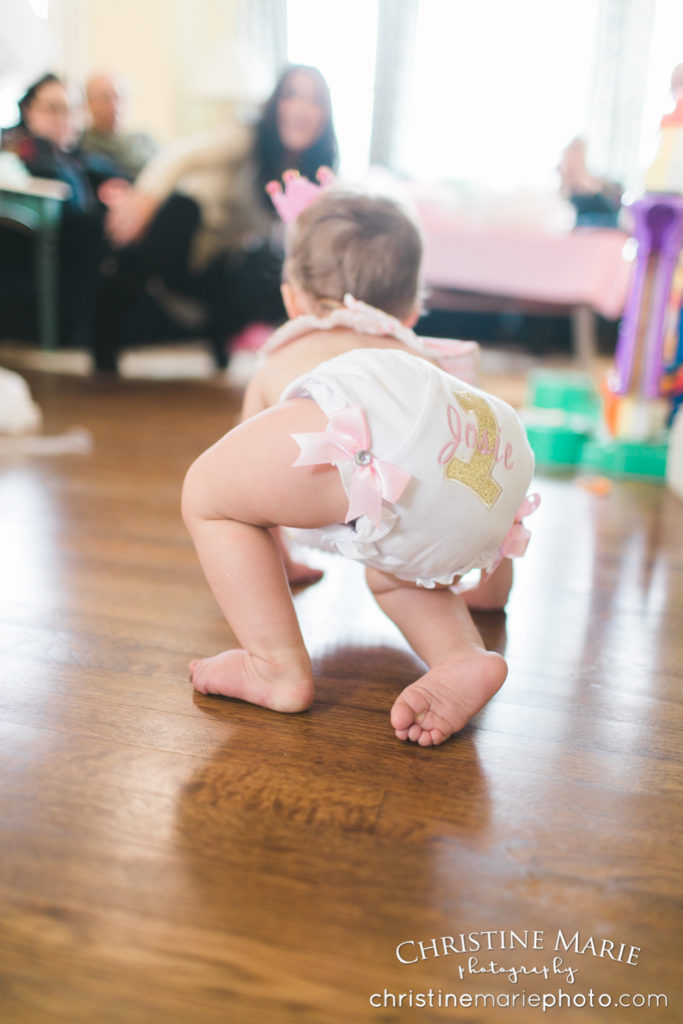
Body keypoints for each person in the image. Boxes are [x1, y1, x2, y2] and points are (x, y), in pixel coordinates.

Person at [181, 184, 539, 747]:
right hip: (485, 456)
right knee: (397, 569)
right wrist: (491, 589)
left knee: (210, 493)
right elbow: (470, 489)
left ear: (293, 300)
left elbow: (251, 481)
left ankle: (274, 664)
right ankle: (462, 655)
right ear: (412, 310)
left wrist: (280, 560)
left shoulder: (290, 346)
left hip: (348, 437)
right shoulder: (421, 359)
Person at [95, 64, 339, 372]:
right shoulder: (247, 134)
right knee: (182, 212)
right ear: (276, 103)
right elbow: (180, 156)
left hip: (218, 260)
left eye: (315, 100)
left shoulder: (313, 174)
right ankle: (109, 327)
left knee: (273, 265)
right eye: (293, 96)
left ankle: (216, 334)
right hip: (182, 233)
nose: (302, 109)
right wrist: (143, 199)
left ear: (326, 114)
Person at [0, 73, 124, 345]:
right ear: (28, 111)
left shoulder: (88, 159)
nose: (63, 118)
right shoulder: (18, 151)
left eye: (70, 109)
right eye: (53, 108)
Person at [81, 72, 157, 178]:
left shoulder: (143, 139)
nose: (114, 106)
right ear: (87, 103)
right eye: (106, 98)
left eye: (119, 97)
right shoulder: (82, 145)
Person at [558, 137, 622, 228]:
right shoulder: (566, 181)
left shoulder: (596, 179)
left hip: (606, 221)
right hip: (584, 226)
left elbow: (611, 204)